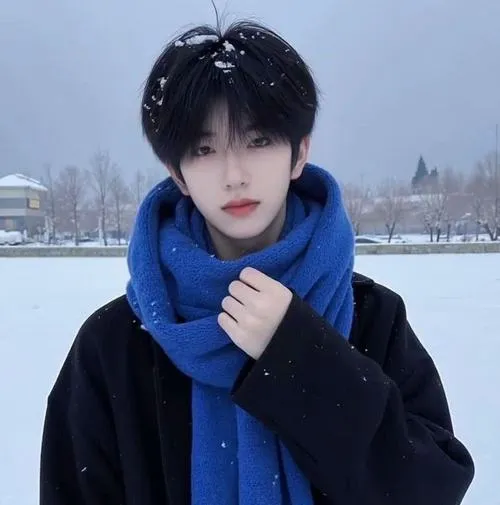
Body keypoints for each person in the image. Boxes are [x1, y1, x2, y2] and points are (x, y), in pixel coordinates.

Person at [40, 20, 474, 505]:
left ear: (299, 153)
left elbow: (430, 489)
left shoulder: (371, 317)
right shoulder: (115, 345)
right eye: (204, 149)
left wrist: (299, 355)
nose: (234, 175)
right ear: (177, 173)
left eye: (259, 140)